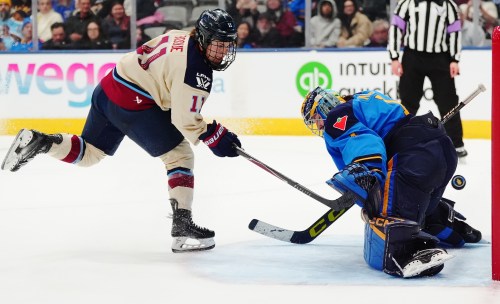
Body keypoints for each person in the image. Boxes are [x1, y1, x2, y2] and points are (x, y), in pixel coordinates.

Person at [1, 9, 242, 253]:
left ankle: (41, 142)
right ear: (202, 37)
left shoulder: (180, 35)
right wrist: (216, 136)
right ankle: (182, 228)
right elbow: (186, 120)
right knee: (180, 155)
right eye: (217, 44)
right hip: (133, 101)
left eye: (227, 45)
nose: (222, 52)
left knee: (90, 154)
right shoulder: (197, 70)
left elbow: (166, 84)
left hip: (110, 86)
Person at [300, 87, 481, 278]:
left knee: (384, 217)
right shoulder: (363, 99)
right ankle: (451, 227)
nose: (319, 127)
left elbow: (365, 141)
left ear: (323, 108)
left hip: (412, 158)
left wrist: (367, 174)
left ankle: (407, 253)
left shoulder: (337, 116)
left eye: (316, 120)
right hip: (439, 149)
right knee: (415, 209)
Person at [388, 0, 467, 157]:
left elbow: (455, 32)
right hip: (413, 56)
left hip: (440, 58)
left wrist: (455, 59)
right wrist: (394, 57)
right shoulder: (407, 2)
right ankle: (401, 141)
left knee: (448, 100)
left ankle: (456, 142)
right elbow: (396, 28)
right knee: (408, 101)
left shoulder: (448, 4)